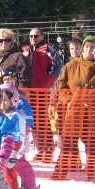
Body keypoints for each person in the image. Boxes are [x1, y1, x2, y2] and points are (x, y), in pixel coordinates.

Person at [52, 36, 95, 183]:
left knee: (93, 144)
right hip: (75, 110)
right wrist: (69, 100)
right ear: (82, 48)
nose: (90, 50)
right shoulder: (71, 65)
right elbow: (61, 87)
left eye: (93, 47)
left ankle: (94, 174)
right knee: (68, 143)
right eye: (87, 46)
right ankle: (60, 173)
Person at [27, 27, 63, 163]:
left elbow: (58, 65)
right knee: (33, 122)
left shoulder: (48, 48)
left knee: (42, 120)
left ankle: (48, 150)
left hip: (42, 90)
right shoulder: (28, 50)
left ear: (42, 36)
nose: (33, 39)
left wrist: (48, 81)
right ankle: (41, 150)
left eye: (36, 36)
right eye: (31, 36)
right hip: (29, 90)